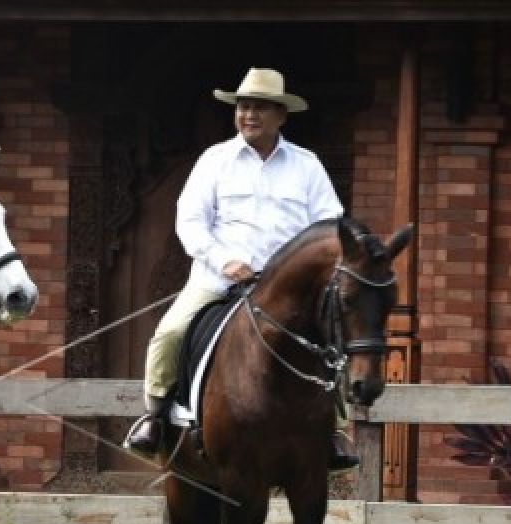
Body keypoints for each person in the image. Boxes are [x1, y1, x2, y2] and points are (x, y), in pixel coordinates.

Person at [124, 67, 359, 471]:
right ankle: (155, 418)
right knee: (170, 333)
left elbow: (329, 225)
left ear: (281, 116)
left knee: (333, 339)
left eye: (260, 108)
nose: (249, 115)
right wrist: (223, 261)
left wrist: (303, 268)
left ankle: (334, 430)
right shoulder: (215, 161)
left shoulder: (306, 166)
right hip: (219, 280)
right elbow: (190, 221)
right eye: (243, 107)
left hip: (287, 289)